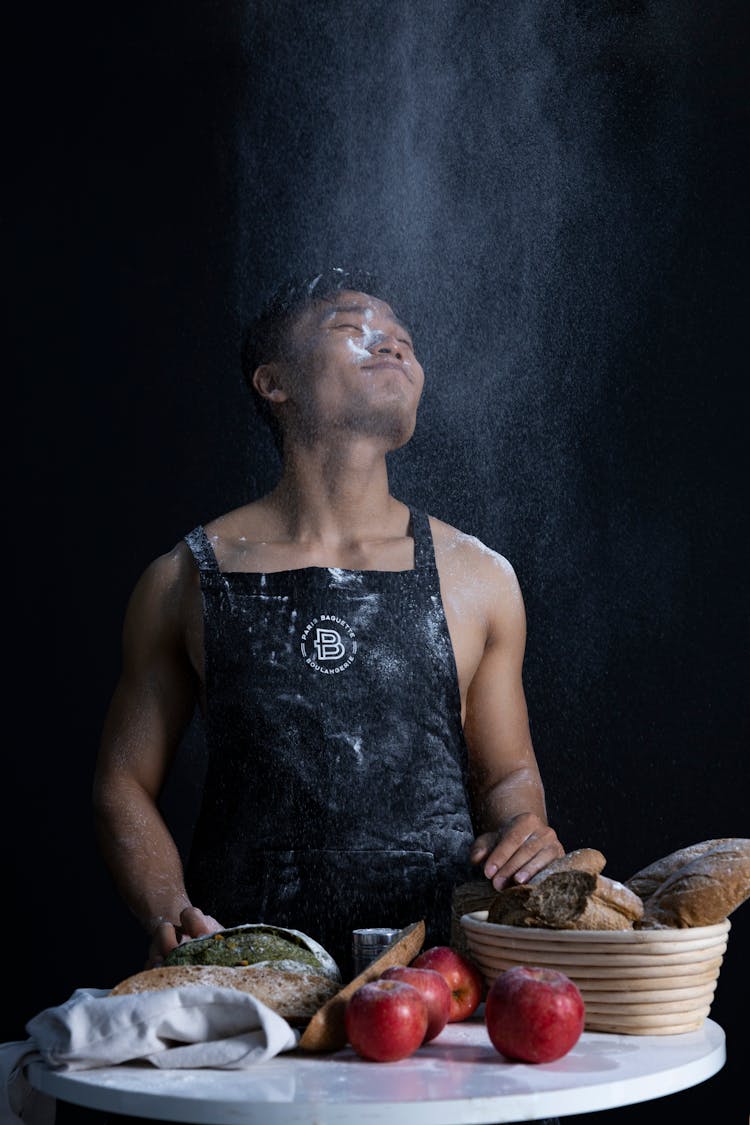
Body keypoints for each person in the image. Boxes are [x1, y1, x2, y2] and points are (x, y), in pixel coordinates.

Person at [92, 267, 564, 979]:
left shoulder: (479, 577)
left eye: (404, 341)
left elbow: (508, 778)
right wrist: (170, 912)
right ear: (273, 382)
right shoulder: (183, 579)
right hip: (248, 982)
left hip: (440, 981)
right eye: (355, 330)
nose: (394, 347)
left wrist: (523, 828)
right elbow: (121, 783)